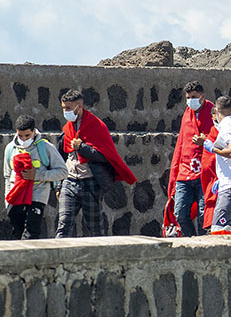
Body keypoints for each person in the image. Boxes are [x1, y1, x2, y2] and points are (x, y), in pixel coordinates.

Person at [56, 89, 137, 238]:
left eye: (68, 108)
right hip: (70, 181)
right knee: (64, 223)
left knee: (94, 227)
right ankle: (56, 259)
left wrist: (82, 147)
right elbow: (61, 158)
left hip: (90, 182)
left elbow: (104, 156)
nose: (65, 111)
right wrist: (59, 185)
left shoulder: (96, 126)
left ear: (78, 107)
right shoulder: (67, 129)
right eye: (63, 108)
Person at [4, 115, 67, 239]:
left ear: (34, 131)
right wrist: (7, 199)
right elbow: (7, 175)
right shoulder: (11, 148)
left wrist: (37, 175)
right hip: (16, 196)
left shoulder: (46, 148)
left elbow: (63, 171)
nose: (23, 139)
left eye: (27, 136)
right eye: (20, 135)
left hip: (37, 196)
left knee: (31, 232)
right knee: (16, 232)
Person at [165, 81, 214, 236]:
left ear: (202, 96)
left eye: (194, 96)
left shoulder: (213, 112)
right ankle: (191, 239)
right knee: (179, 212)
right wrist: (175, 172)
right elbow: (181, 143)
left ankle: (202, 244)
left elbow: (219, 137)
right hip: (185, 172)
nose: (190, 100)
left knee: (202, 214)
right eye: (188, 97)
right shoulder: (187, 114)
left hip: (203, 172)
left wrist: (205, 140)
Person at [204, 96, 231, 235]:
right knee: (225, 230)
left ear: (217, 111)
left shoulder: (227, 125)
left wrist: (212, 148)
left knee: (218, 230)